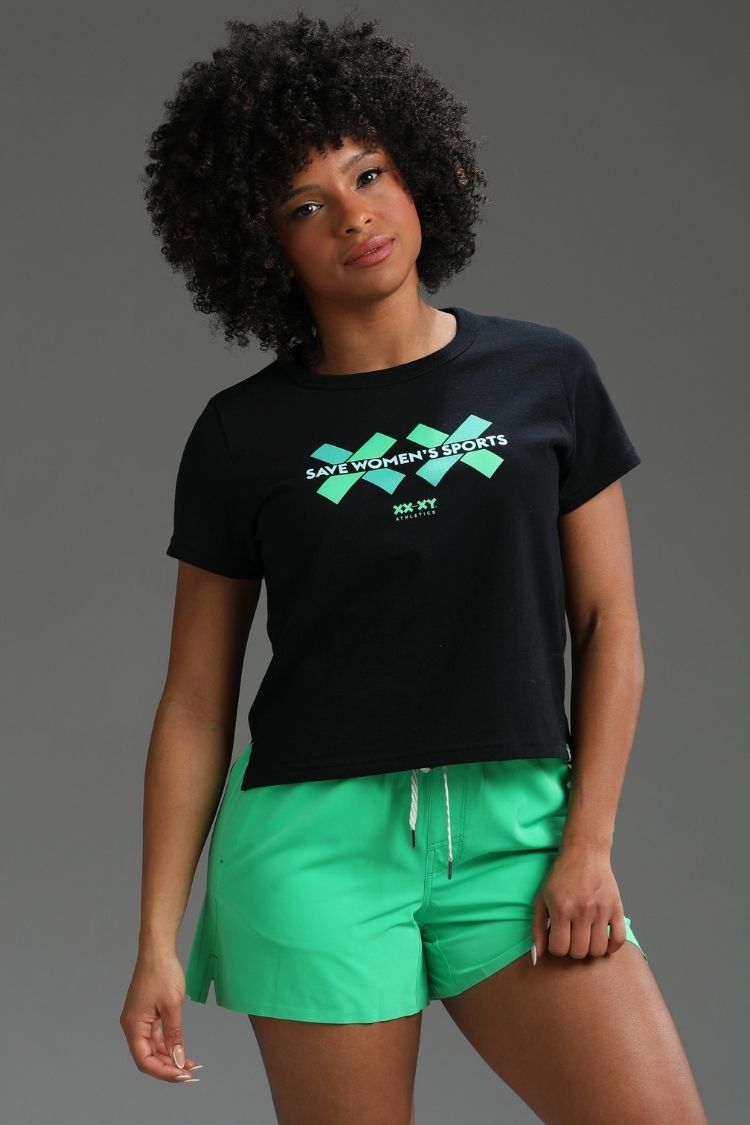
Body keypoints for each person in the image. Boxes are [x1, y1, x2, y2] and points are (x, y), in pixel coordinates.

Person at [119, 12, 708, 1124]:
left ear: (418, 171)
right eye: (305, 206)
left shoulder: (547, 375)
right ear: (262, 247)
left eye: (368, 173)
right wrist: (156, 938)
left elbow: (610, 624)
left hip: (518, 838)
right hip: (312, 854)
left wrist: (587, 843)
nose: (354, 215)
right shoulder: (240, 435)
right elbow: (195, 701)